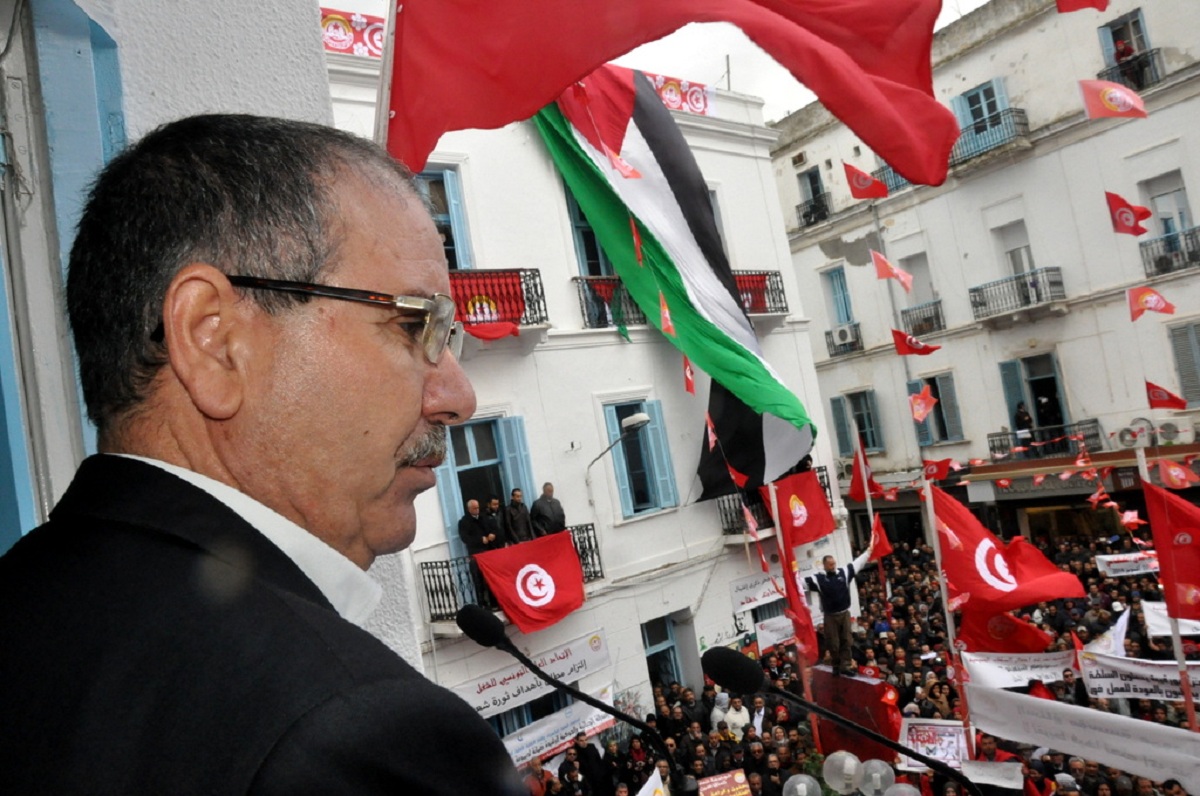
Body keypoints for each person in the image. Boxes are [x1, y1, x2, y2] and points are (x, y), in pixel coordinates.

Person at [0, 115, 522, 794]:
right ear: (214, 342)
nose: (459, 395)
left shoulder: (28, 602)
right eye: (414, 323)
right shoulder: (348, 730)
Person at [804, 545, 872, 675]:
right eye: (830, 564)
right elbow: (799, 583)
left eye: (834, 563)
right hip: (830, 616)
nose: (833, 566)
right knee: (833, 643)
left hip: (844, 613)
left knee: (847, 640)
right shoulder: (818, 579)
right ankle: (836, 665)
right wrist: (789, 575)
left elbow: (857, 563)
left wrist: (868, 552)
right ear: (824, 565)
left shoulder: (844, 573)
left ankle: (845, 666)